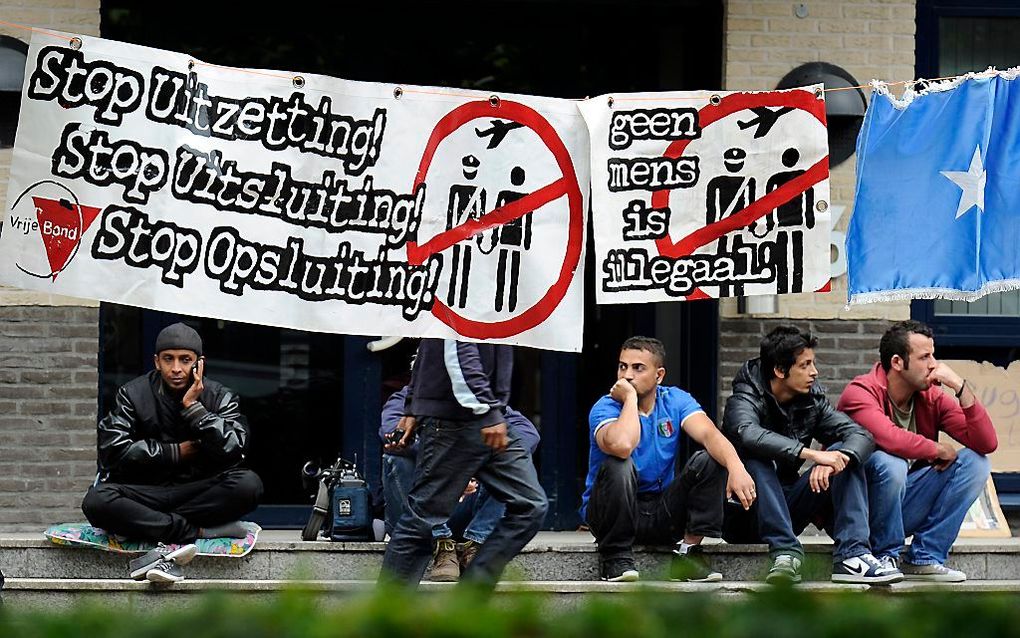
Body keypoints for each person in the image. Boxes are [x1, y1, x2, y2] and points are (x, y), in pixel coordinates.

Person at [81, 322, 263, 583]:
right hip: (146, 493)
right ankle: (195, 531)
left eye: (185, 360)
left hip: (198, 492)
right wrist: (174, 453)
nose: (176, 369)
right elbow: (111, 451)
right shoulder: (132, 394)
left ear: (199, 363)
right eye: (169, 359)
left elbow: (235, 448)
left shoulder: (220, 396)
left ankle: (147, 525)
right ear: (157, 362)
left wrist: (194, 409)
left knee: (249, 485)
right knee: (96, 501)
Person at [722, 325, 901, 585]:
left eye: (813, 364)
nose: (814, 372)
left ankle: (852, 556)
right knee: (755, 458)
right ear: (780, 370)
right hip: (744, 516)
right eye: (805, 365)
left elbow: (861, 435)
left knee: (844, 456)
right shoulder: (743, 399)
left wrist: (833, 460)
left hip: (788, 508)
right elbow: (748, 434)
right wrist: (814, 456)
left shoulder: (811, 402)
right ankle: (785, 551)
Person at [580, 336, 756, 583]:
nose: (627, 375)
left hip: (662, 511)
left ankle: (687, 553)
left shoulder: (674, 400)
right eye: (622, 366)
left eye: (638, 368)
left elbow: (708, 434)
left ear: (659, 375)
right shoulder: (606, 407)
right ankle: (615, 558)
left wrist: (736, 466)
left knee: (711, 459)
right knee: (619, 463)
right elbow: (622, 445)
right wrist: (630, 400)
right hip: (611, 514)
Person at [378, 339, 548, 592]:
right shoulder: (469, 301)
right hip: (456, 419)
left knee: (531, 505)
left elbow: (432, 341)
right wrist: (486, 411)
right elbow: (455, 344)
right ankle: (385, 615)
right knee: (422, 521)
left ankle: (471, 595)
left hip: (488, 412)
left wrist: (415, 402)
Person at [837, 320, 997, 582]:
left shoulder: (930, 396)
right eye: (924, 357)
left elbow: (986, 442)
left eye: (933, 355)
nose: (934, 364)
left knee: (976, 462)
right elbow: (888, 437)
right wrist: (935, 448)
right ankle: (883, 554)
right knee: (891, 462)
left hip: (902, 506)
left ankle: (925, 556)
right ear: (898, 362)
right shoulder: (861, 392)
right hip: (857, 518)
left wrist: (960, 386)